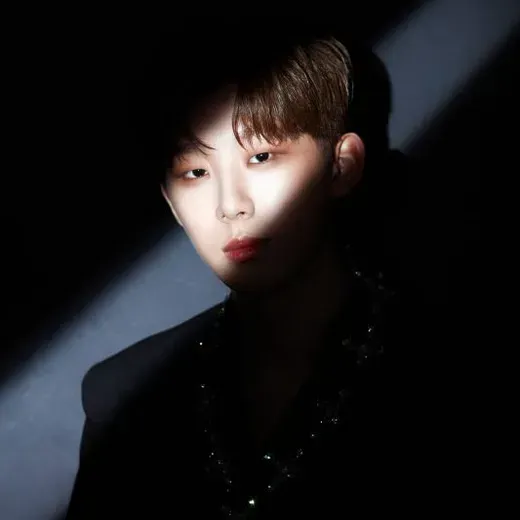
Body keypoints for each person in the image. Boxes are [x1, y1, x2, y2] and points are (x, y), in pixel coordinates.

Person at [66, 24, 405, 519]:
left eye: (261, 157)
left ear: (342, 165)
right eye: (196, 173)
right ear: (171, 201)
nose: (230, 205)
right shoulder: (124, 396)